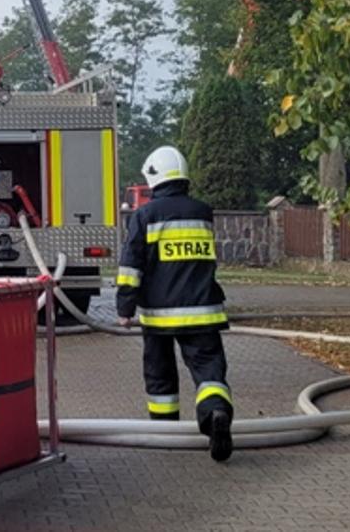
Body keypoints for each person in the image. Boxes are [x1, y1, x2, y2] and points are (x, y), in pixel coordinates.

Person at [116, 145, 235, 462]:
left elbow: (131, 267)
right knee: (209, 371)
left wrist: (124, 309)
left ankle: (166, 432)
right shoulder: (202, 212)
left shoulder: (145, 216)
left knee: (160, 374)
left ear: (154, 176)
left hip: (159, 316)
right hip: (204, 311)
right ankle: (215, 413)